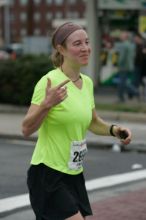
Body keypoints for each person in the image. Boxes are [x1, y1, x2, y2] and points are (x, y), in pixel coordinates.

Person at [22, 22, 132, 220]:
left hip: (73, 173)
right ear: (60, 49)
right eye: (77, 43)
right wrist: (47, 104)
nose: (85, 48)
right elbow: (26, 129)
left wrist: (114, 129)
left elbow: (93, 121)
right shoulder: (49, 82)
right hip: (47, 172)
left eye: (87, 42)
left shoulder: (87, 83)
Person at [116, 31, 138, 102]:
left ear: (125, 37)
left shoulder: (124, 45)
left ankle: (135, 92)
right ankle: (122, 97)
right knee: (123, 82)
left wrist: (118, 64)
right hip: (129, 66)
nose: (120, 36)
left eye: (122, 35)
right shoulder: (131, 45)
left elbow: (122, 57)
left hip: (123, 66)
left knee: (122, 83)